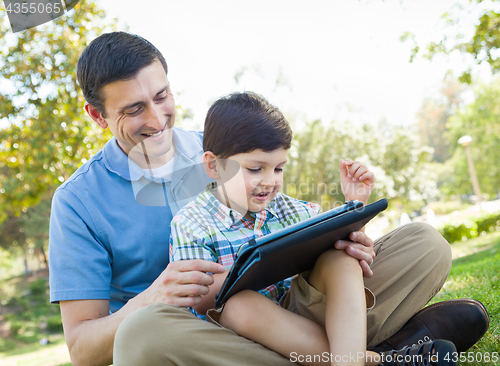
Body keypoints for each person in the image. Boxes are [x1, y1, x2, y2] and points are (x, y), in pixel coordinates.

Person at [48, 31, 489, 366]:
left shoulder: (224, 144)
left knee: (424, 245)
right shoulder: (77, 203)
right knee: (141, 334)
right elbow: (82, 348)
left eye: (161, 96)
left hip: (288, 310)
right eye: (133, 109)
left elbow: (285, 227)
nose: (156, 118)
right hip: (206, 336)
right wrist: (153, 296)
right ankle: (381, 353)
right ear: (97, 115)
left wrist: (347, 240)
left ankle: (351, 353)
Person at [169, 91, 458, 366]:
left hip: (312, 317)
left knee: (422, 242)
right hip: (246, 341)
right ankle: (377, 358)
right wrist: (253, 270)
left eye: (278, 168)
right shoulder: (192, 223)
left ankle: (348, 354)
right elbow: (198, 301)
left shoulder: (298, 211)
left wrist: (353, 222)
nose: (270, 181)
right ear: (213, 166)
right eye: (255, 169)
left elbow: (336, 274)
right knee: (239, 305)